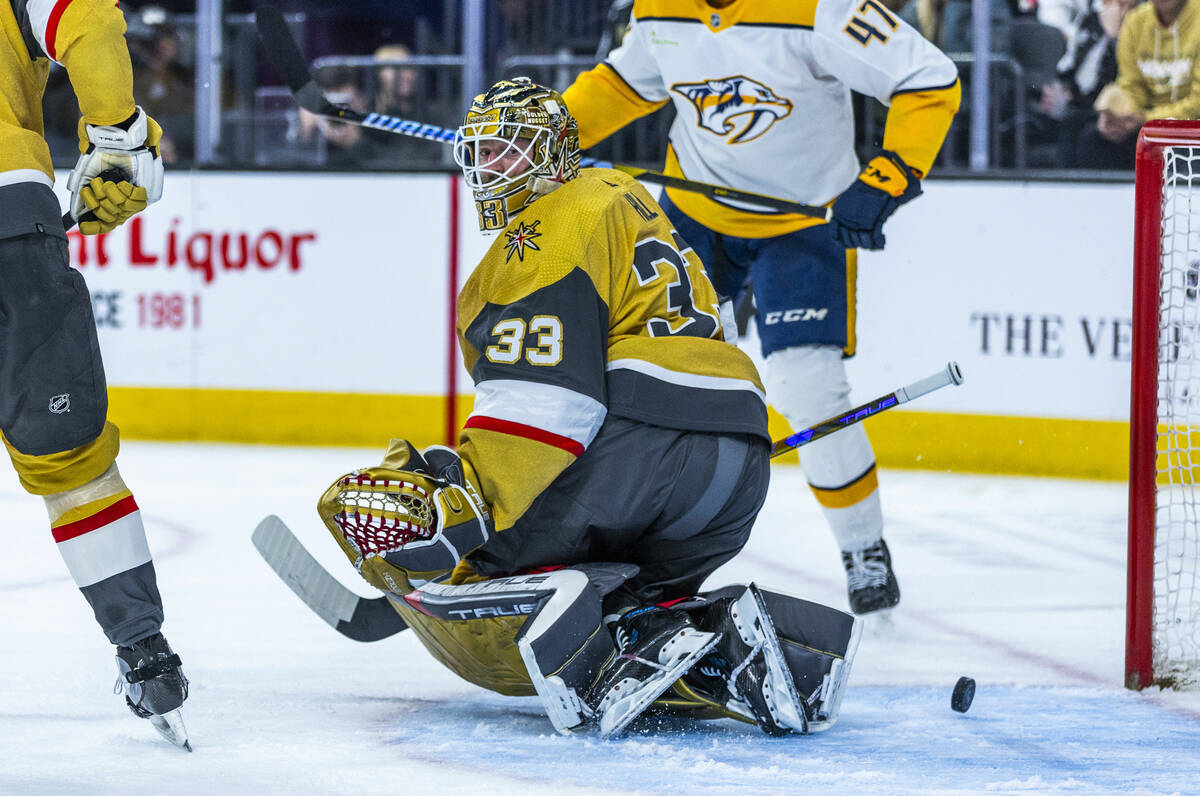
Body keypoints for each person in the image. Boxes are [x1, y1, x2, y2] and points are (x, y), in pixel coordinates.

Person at [315, 78, 860, 738]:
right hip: (736, 470)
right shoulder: (629, 198)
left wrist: (468, 516)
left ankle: (562, 606)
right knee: (637, 597)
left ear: (555, 157)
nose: (490, 170)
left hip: (639, 453)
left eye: (509, 152)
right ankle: (725, 651)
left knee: (479, 564)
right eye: (483, 154)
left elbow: (545, 403)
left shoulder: (542, 232)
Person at [562, 0, 961, 615]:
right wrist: (546, 135)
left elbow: (928, 77)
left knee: (808, 389)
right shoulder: (660, 7)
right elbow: (622, 83)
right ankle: (627, 545)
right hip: (695, 216)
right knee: (649, 378)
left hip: (802, 224)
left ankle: (862, 546)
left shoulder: (820, 8)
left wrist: (889, 174)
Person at [1, 0, 189, 748]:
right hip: (12, 219)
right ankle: (146, 655)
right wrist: (120, 136)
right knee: (71, 463)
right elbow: (89, 23)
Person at [1086, 0, 1200, 169]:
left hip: (1192, 127)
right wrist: (1117, 115)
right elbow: (1131, 86)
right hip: (1148, 121)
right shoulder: (1135, 21)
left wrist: (1146, 119)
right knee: (1089, 135)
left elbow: (1197, 103)